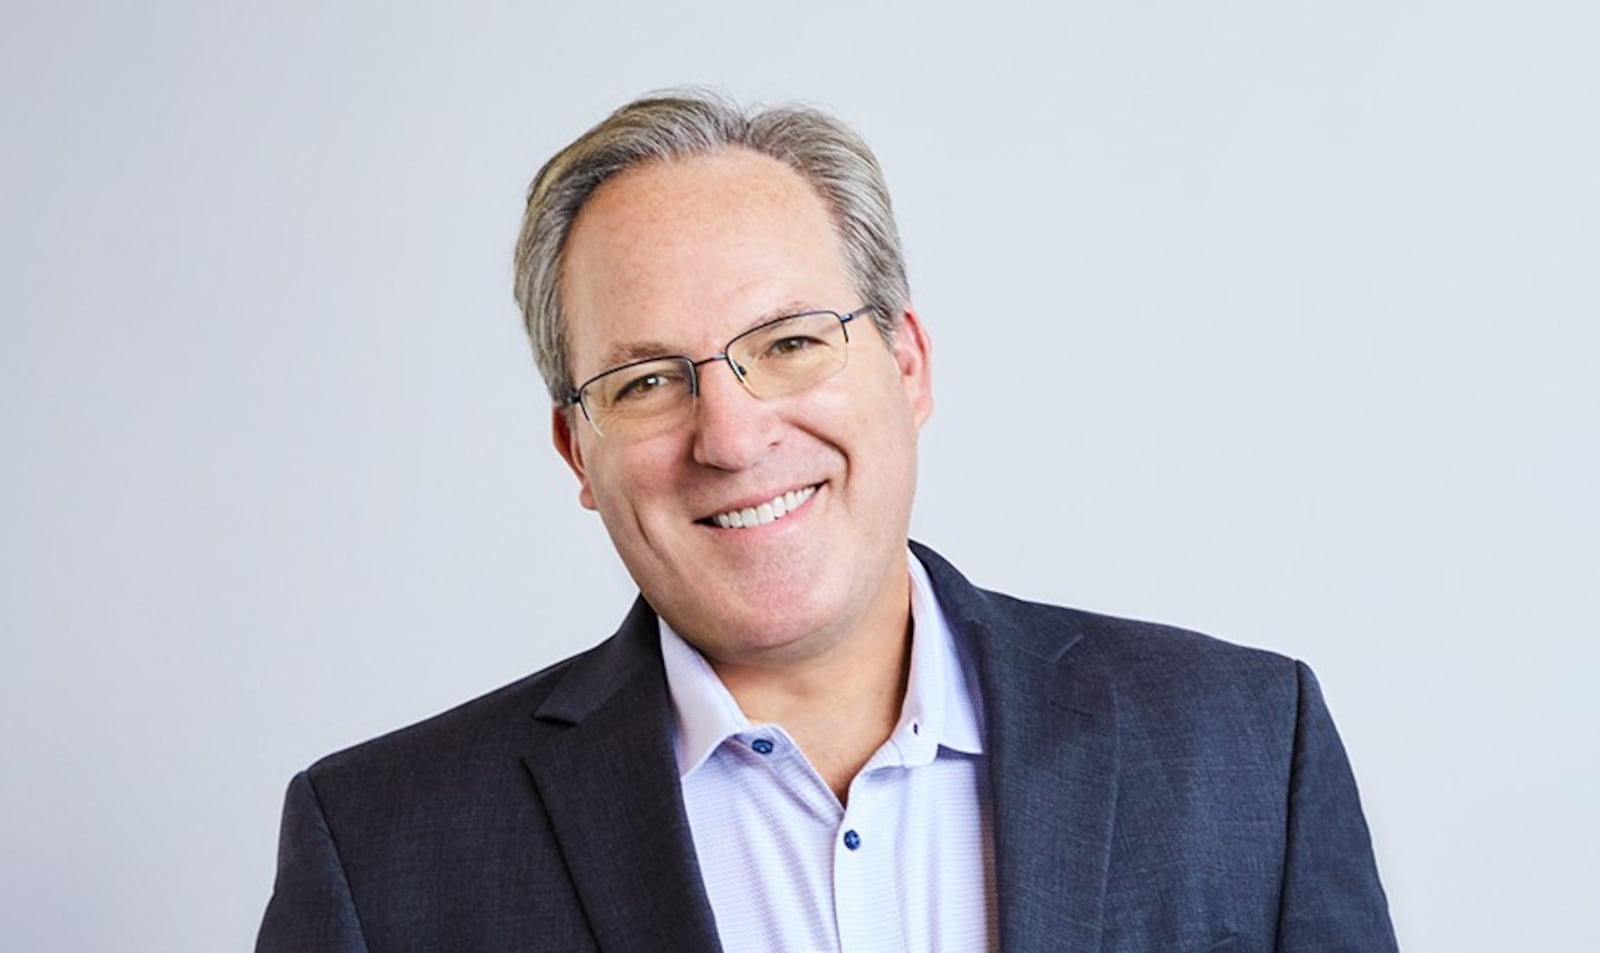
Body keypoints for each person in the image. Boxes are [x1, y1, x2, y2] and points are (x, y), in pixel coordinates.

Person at [257, 91, 1398, 952]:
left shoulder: (1244, 748)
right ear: (577, 452)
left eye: (791, 341)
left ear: (908, 364)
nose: (731, 434)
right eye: (646, 380)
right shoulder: (383, 854)